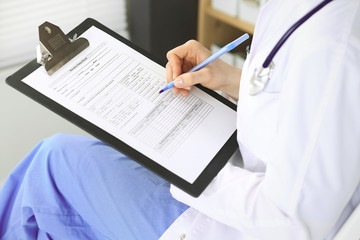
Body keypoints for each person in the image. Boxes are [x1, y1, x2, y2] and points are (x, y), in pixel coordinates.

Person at [1, 0, 359, 239]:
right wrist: (235, 81)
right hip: (241, 182)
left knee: (51, 164)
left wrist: (187, 167)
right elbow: (308, 110)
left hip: (237, 224)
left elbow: (293, 224)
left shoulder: (333, 44)